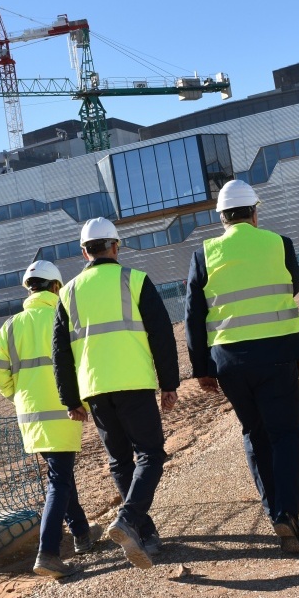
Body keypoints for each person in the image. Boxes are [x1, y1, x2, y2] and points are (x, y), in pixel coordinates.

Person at [184, 180, 299, 553]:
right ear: (255, 212)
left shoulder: (204, 255)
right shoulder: (279, 244)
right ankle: (287, 511)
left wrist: (201, 368)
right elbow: (291, 286)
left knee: (254, 432)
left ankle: (274, 509)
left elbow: (193, 317)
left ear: (222, 217)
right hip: (278, 352)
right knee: (286, 434)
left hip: (230, 360)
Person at [53, 217, 180, 569]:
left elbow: (60, 352)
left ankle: (146, 535)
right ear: (115, 246)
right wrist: (169, 383)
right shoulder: (135, 280)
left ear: (83, 252)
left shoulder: (68, 293)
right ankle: (128, 518)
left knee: (120, 462)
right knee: (151, 455)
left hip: (95, 388)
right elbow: (162, 336)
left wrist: (70, 399)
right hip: (134, 382)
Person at [0, 260, 101, 578]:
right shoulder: (63, 316)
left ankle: (81, 533)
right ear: (56, 287)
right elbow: (83, 362)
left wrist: (19, 397)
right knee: (59, 479)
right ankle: (48, 552)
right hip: (64, 410)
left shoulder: (10, 326)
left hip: (31, 416)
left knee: (60, 472)